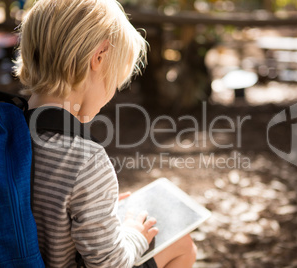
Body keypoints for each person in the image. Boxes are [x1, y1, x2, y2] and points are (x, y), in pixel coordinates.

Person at [14, 0, 197, 267]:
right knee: (182, 244)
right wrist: (134, 235)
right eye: (114, 82)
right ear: (98, 57)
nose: (109, 96)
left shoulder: (1, 131)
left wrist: (103, 212)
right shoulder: (85, 159)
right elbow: (111, 263)